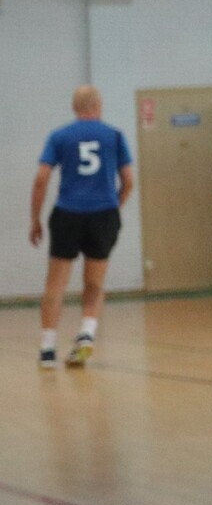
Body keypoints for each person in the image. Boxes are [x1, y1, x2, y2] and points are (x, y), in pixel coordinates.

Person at [28, 86, 133, 369]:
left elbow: (41, 179)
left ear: (75, 108)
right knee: (95, 282)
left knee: (56, 283)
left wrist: (35, 219)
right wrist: (114, 207)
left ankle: (47, 350)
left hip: (68, 214)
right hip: (103, 214)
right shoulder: (114, 135)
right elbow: (128, 181)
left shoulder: (60, 136)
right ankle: (86, 333)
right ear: (98, 105)